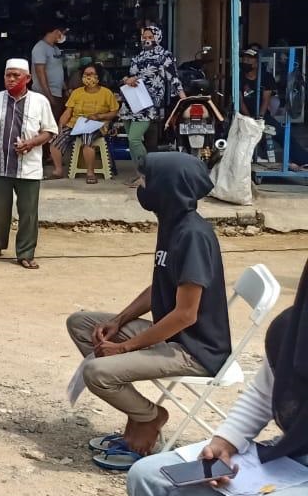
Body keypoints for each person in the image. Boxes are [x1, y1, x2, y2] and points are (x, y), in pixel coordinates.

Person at [126, 258, 308, 496]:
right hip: (290, 457)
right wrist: (225, 442)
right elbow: (263, 393)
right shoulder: (295, 329)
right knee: (151, 478)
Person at [67, 153, 232, 467]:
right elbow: (160, 285)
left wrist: (126, 348)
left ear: (167, 187)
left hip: (195, 350)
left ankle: (150, 417)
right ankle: (139, 416)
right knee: (81, 323)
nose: (140, 184)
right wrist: (119, 321)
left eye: (145, 179)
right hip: (174, 336)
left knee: (96, 372)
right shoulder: (172, 223)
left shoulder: (193, 235)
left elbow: (186, 314)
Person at [0, 58, 57, 269]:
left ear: (27, 78)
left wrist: (31, 143)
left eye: (16, 75)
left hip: (29, 167)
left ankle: (26, 253)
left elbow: (49, 131)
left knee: (28, 213)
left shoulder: (40, 101)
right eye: (7, 75)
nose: (10, 79)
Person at [121, 24, 183, 187]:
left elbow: (174, 78)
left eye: (150, 37)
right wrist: (127, 80)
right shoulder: (138, 57)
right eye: (145, 37)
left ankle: (146, 174)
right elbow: (131, 76)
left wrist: (183, 98)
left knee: (135, 139)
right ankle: (138, 174)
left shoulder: (164, 56)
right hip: (131, 102)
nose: (147, 40)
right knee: (130, 140)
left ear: (158, 37)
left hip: (148, 103)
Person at [48, 65, 121, 183]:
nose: (88, 77)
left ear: (98, 77)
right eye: (86, 74)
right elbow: (68, 111)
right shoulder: (77, 92)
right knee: (56, 141)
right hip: (75, 124)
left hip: (96, 124)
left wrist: (99, 116)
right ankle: (58, 171)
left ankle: (90, 173)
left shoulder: (106, 93)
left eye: (91, 74)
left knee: (87, 139)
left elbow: (114, 112)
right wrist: (60, 125)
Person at [31, 22, 67, 124]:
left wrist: (66, 88)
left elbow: (58, 71)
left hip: (57, 93)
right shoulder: (40, 48)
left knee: (54, 124)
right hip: (44, 95)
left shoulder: (56, 49)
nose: (64, 36)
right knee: (45, 126)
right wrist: (49, 96)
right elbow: (40, 73)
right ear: (56, 32)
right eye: (63, 33)